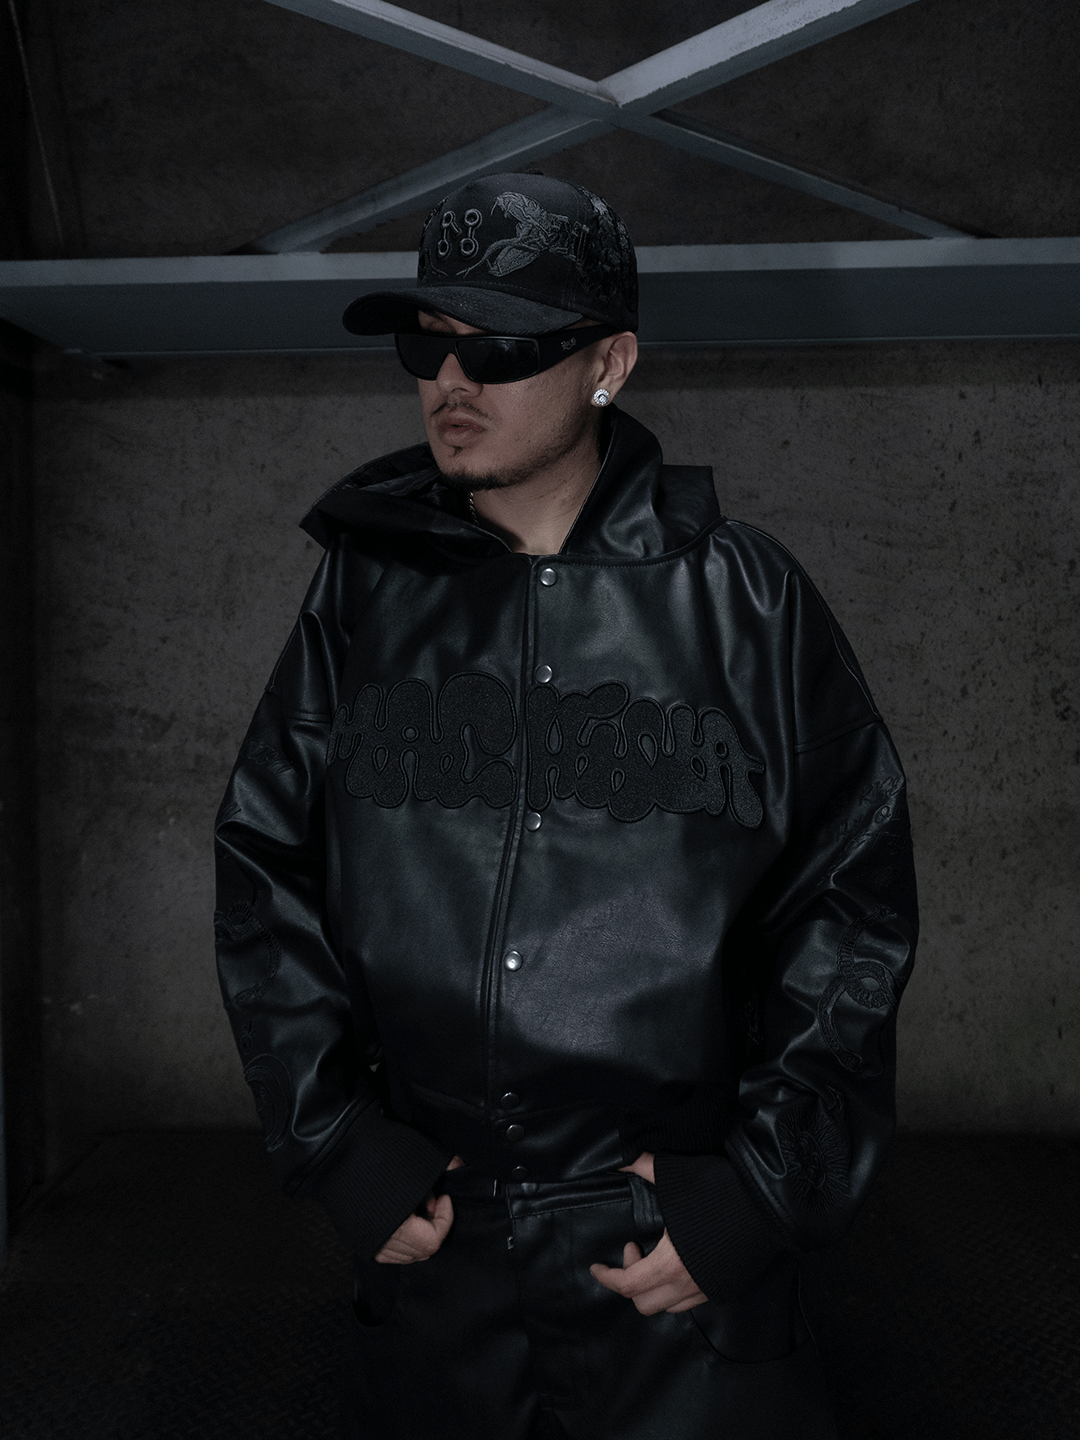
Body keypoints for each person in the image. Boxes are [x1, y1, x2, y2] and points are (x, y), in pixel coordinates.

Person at [214, 172, 917, 1440]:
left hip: (668, 1263)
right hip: (434, 1254)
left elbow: (852, 907)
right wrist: (337, 1148)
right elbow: (267, 867)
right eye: (425, 345)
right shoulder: (363, 597)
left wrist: (757, 1195)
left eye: (502, 346)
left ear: (612, 362)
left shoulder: (745, 601)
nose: (452, 381)